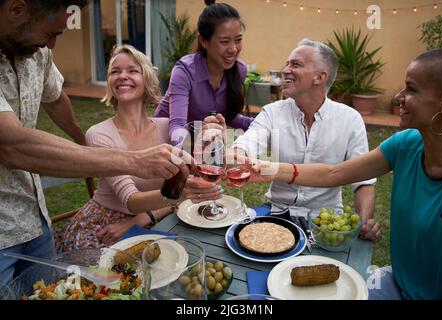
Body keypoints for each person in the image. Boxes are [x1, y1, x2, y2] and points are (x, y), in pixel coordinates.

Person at [0, 0, 189, 287]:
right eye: (52, 32)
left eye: (133, 70)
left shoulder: (37, 54)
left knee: (49, 292)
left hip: (35, 219)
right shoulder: (103, 132)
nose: (51, 45)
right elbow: (11, 145)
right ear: (16, 10)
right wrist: (134, 160)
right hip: (3, 232)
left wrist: (80, 140)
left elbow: (55, 96)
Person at [251, 49, 442, 300]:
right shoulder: (405, 145)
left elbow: (358, 182)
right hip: (397, 285)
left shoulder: (350, 120)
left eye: (411, 89)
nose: (399, 96)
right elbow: (333, 173)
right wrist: (266, 169)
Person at [56, 45, 221, 252]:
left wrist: (212, 139)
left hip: (156, 218)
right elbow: (130, 201)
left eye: (132, 70)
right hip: (106, 227)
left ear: (147, 81)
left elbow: (200, 172)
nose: (122, 76)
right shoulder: (99, 135)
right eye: (115, 72)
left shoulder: (168, 127)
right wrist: (179, 195)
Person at [232, 39, 380, 241]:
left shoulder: (350, 119)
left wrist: (362, 223)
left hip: (326, 222)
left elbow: (363, 181)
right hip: (276, 212)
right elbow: (249, 141)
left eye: (295, 64)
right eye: (287, 63)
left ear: (320, 77)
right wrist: (238, 153)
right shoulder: (273, 112)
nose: (285, 70)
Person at [154, 0, 253, 146]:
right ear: (203, 41)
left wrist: (269, 124)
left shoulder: (239, 70)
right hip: (166, 139)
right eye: (225, 41)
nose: (233, 49)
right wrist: (183, 154)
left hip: (202, 140)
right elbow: (176, 128)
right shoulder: (184, 71)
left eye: (238, 40)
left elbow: (227, 115)